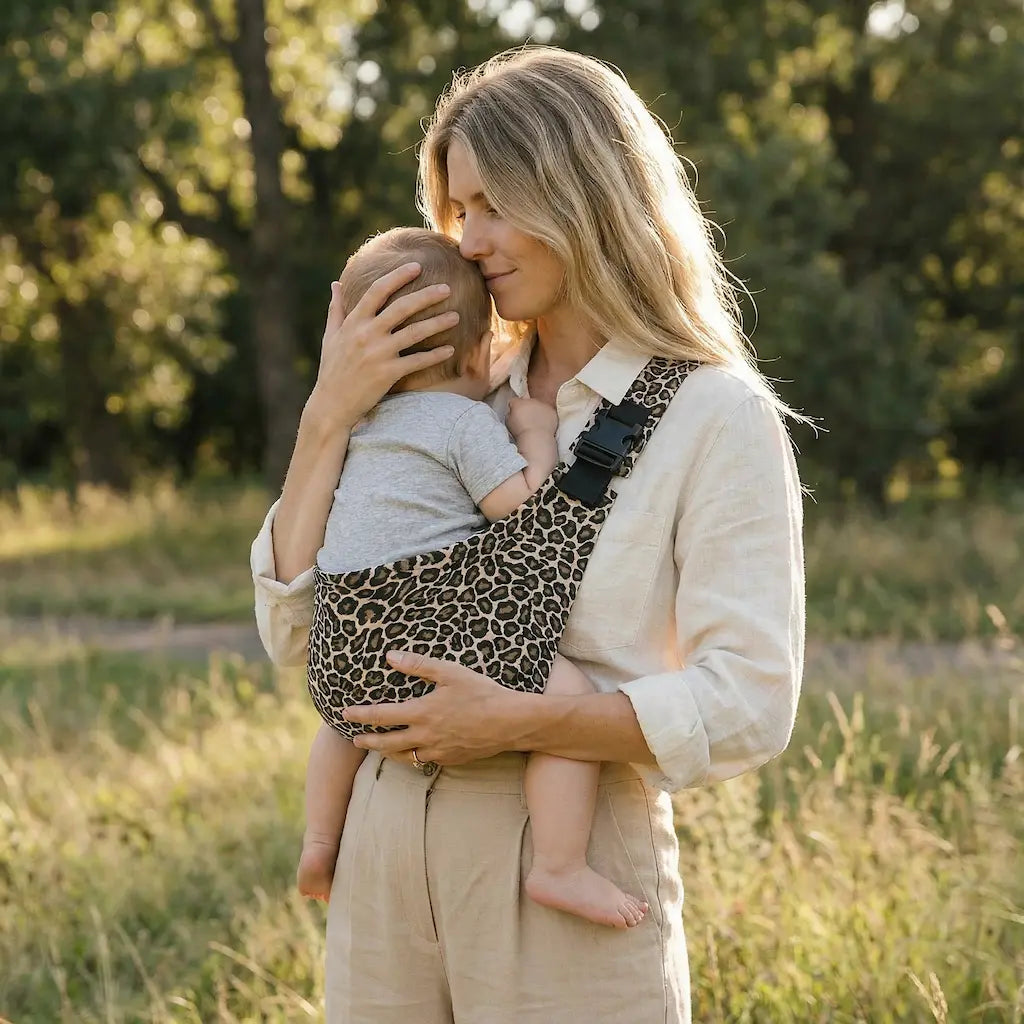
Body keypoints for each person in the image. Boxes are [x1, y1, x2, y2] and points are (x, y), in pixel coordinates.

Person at [252, 46, 804, 1023]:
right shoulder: (435, 400)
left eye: (495, 203)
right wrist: (327, 417)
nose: (468, 241)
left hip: (568, 854)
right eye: (457, 210)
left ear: (582, 194)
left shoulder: (714, 416)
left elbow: (749, 700)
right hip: (381, 841)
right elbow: (300, 637)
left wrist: (521, 723)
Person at [298, 225, 648, 930]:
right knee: (567, 695)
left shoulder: (358, 424)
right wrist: (538, 436)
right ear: (479, 352)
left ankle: (317, 842)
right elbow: (520, 511)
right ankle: (560, 866)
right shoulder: (462, 423)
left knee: (348, 722)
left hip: (341, 649)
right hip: (431, 624)